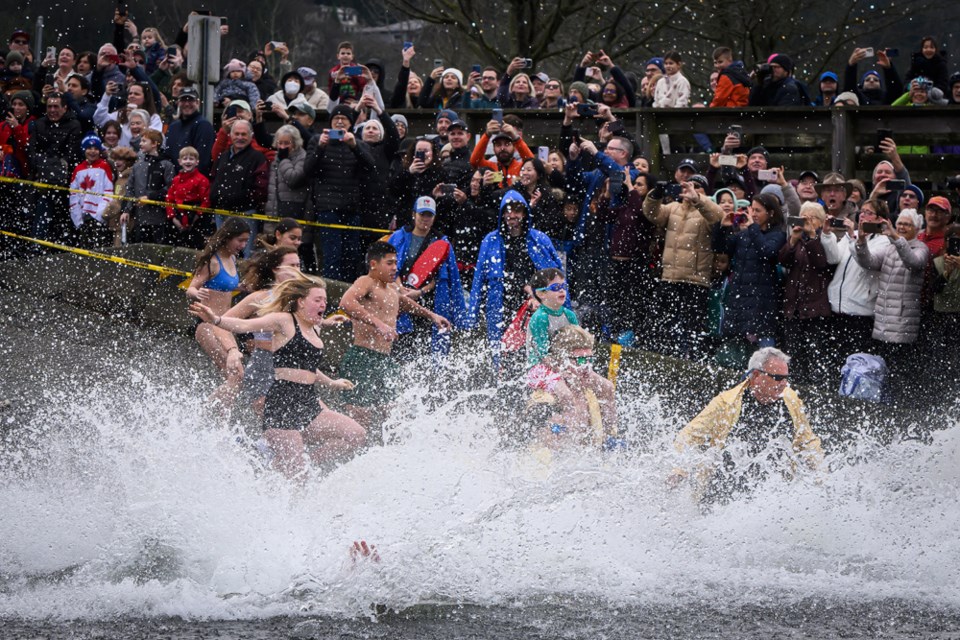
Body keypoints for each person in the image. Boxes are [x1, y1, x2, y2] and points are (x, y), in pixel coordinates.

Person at [190, 277, 366, 478]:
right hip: (282, 405)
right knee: (296, 474)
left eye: (325, 300)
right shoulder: (284, 321)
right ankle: (275, 481)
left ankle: (295, 466)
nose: (323, 304)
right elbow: (244, 325)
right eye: (317, 300)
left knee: (356, 435)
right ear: (301, 301)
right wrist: (216, 320)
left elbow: (307, 367)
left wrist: (331, 382)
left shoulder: (314, 328)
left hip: (308, 403)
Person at [671, 347, 824, 505]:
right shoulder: (726, 403)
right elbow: (688, 436)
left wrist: (821, 475)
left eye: (786, 378)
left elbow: (807, 441)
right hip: (721, 495)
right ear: (756, 375)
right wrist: (679, 470)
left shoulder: (791, 399)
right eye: (777, 378)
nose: (784, 384)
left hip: (770, 496)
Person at [338, 241, 453, 432]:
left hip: (384, 360)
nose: (395, 268)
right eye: (389, 263)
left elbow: (405, 303)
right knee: (361, 419)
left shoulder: (391, 290)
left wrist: (432, 315)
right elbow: (346, 302)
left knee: (393, 415)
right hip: (362, 357)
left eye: (395, 263)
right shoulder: (366, 281)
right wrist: (379, 323)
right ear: (374, 264)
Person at [467, 190, 563, 371]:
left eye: (517, 211)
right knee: (504, 355)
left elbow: (558, 276)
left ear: (525, 213)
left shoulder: (539, 239)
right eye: (508, 210)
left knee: (539, 352)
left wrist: (563, 308)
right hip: (500, 306)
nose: (512, 215)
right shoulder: (490, 240)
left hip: (536, 306)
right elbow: (478, 280)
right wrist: (472, 315)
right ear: (502, 213)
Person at [643, 176, 723, 357]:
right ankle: (665, 356)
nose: (690, 190)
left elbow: (718, 216)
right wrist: (655, 195)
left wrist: (697, 198)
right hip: (670, 277)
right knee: (665, 324)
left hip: (696, 280)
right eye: (688, 186)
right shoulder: (673, 208)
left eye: (697, 187)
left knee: (692, 328)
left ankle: (691, 359)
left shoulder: (706, 212)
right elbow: (652, 214)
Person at [853, 208, 929, 399]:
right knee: (883, 364)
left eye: (907, 224)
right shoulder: (889, 248)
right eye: (900, 223)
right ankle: (883, 401)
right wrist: (861, 241)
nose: (902, 227)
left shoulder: (921, 248)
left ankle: (900, 403)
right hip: (883, 317)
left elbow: (913, 262)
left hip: (903, 319)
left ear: (917, 229)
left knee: (899, 367)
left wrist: (895, 237)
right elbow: (868, 262)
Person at [388, 196, 467, 360]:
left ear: (434, 218)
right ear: (413, 214)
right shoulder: (398, 237)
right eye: (422, 214)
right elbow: (390, 268)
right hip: (400, 299)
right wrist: (399, 288)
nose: (425, 219)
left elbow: (442, 277)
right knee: (400, 348)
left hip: (429, 302)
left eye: (429, 215)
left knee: (426, 349)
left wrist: (420, 292)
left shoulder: (441, 242)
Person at [302, 104, 375, 282]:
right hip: (327, 207)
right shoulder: (317, 140)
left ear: (351, 124)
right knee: (331, 255)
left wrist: (354, 146)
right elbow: (307, 170)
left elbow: (371, 167)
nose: (340, 122)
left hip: (352, 208)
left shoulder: (359, 143)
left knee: (352, 255)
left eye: (344, 119)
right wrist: (320, 147)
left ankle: (349, 293)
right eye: (336, 119)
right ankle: (331, 294)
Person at [718, 192, 788, 358]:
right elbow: (722, 248)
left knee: (764, 354)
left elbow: (767, 252)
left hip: (762, 303)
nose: (753, 214)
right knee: (736, 355)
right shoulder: (744, 234)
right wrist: (723, 228)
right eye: (752, 210)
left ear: (770, 213)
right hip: (740, 300)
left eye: (758, 211)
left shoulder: (778, 235)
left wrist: (753, 228)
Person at [526, 325, 618, 448]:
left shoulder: (591, 394)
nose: (586, 367)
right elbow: (540, 452)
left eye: (589, 360)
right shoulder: (546, 402)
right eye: (580, 361)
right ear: (561, 360)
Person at [185, 218, 250, 387]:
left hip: (224, 324)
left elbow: (224, 285)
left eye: (246, 241)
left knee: (234, 376)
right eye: (240, 240)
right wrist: (197, 293)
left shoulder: (233, 259)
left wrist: (241, 287)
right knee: (236, 374)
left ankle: (217, 411)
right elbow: (190, 288)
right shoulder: (212, 261)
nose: (243, 245)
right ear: (228, 237)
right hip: (206, 324)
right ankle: (208, 412)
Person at [778, 202, 832, 385]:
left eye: (812, 218)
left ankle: (816, 388)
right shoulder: (797, 241)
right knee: (793, 353)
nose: (807, 221)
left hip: (815, 308)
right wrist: (793, 239)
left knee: (814, 353)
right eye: (804, 217)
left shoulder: (824, 240)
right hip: (794, 306)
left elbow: (821, 263)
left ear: (820, 221)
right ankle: (795, 386)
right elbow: (783, 260)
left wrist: (811, 236)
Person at [26, 92, 82, 241]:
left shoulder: (74, 125)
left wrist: (48, 164)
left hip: (65, 182)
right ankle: (36, 248)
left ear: (64, 108)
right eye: (49, 106)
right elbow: (31, 153)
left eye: (56, 106)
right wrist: (48, 165)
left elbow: (71, 156)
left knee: (62, 222)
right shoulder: (39, 124)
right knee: (38, 217)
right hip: (41, 181)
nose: (52, 110)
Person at [209, 119, 268, 257]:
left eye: (244, 134)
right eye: (236, 134)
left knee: (246, 254)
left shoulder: (258, 158)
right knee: (222, 251)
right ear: (230, 135)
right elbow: (213, 179)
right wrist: (215, 197)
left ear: (251, 136)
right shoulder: (223, 157)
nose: (240, 137)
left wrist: (240, 199)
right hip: (221, 212)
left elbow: (261, 189)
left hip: (245, 213)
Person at [120, 129, 175, 244]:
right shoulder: (137, 166)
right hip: (140, 218)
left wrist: (150, 197)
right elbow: (130, 188)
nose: (140, 144)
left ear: (154, 144)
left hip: (160, 218)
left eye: (144, 141)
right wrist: (126, 210)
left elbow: (170, 188)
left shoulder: (166, 164)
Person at [68, 133, 114, 248]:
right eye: (89, 148)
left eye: (96, 149)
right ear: (84, 150)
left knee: (100, 247)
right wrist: (77, 218)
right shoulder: (78, 169)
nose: (92, 151)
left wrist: (100, 214)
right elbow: (74, 194)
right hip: (83, 217)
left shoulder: (104, 166)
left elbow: (108, 191)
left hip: (99, 217)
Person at [161, 86, 215, 176]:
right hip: (174, 182)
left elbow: (203, 161)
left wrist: (188, 182)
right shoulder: (173, 126)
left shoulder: (203, 126)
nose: (186, 104)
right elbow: (167, 155)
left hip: (194, 183)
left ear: (197, 103)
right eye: (183, 100)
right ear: (178, 103)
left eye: (190, 100)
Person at [164, 145, 211, 249]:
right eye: (185, 159)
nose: (188, 161)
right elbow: (169, 198)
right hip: (177, 217)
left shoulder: (202, 180)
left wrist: (195, 218)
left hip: (195, 219)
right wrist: (172, 217)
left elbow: (205, 201)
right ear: (180, 162)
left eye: (191, 159)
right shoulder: (176, 179)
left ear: (197, 162)